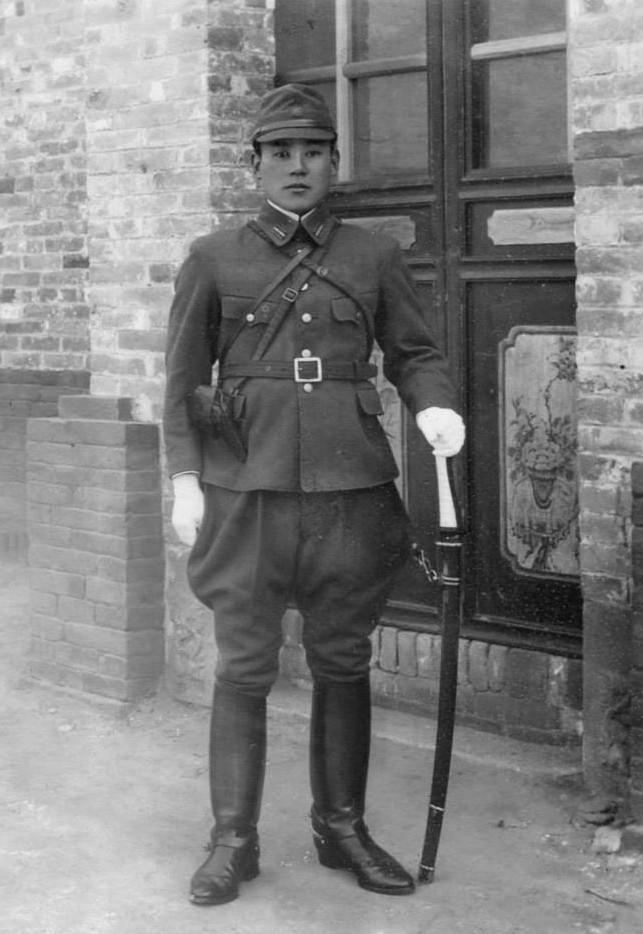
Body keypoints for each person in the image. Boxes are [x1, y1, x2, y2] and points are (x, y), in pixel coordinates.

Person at [163, 83, 465, 906]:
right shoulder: (213, 257)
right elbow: (183, 380)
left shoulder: (372, 255)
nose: (298, 167)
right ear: (255, 164)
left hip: (349, 488)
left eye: (313, 152)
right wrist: (185, 478)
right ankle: (233, 840)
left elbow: (413, 351)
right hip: (246, 489)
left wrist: (433, 402)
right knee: (245, 664)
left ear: (335, 162)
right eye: (280, 152)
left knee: (341, 660)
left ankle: (342, 829)